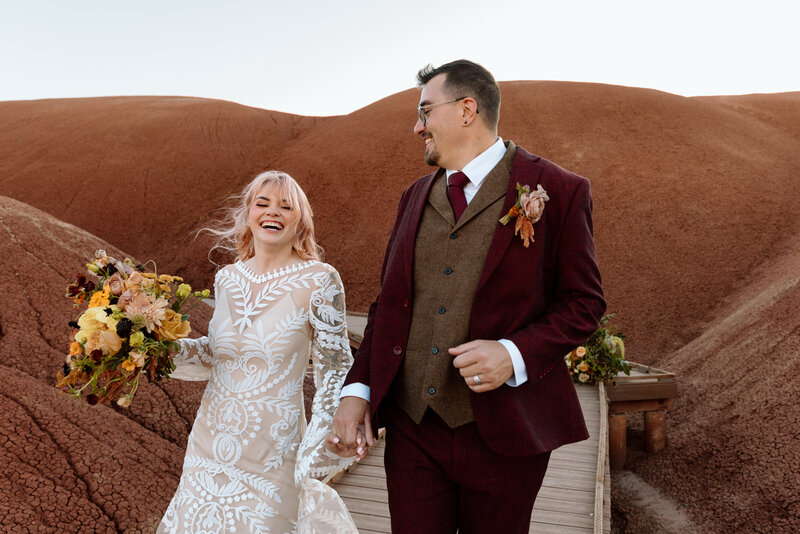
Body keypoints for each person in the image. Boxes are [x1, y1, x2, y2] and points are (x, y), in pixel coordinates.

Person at [329, 60, 606, 533]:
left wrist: (512, 353)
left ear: (466, 109)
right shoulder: (412, 197)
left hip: (505, 433)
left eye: (425, 111)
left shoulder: (558, 190)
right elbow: (388, 306)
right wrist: (358, 390)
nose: (417, 126)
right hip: (413, 430)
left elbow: (584, 304)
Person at [158, 171, 358, 534]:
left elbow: (335, 371)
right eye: (262, 204)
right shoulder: (228, 279)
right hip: (208, 444)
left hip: (274, 454)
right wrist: (156, 351)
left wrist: (319, 448)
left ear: (301, 220)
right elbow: (216, 355)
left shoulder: (320, 279)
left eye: (286, 206)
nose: (273, 212)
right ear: (248, 213)